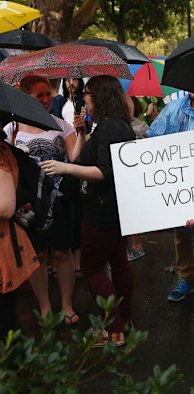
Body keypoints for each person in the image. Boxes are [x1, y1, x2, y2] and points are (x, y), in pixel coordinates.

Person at [41, 75, 136, 346]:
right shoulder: (117, 125)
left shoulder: (108, 129)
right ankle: (124, 321)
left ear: (100, 97)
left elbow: (103, 172)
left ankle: (113, 329)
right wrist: (83, 133)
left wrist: (64, 168)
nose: (84, 98)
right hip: (118, 208)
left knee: (92, 267)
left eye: (89, 94)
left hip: (102, 210)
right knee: (119, 262)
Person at [4, 75, 86, 325]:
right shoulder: (11, 128)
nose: (45, 100)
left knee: (62, 254)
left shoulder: (62, 125)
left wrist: (81, 133)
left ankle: (67, 304)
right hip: (28, 206)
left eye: (48, 94)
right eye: (39, 96)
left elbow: (73, 157)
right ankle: (45, 306)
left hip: (60, 200)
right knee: (37, 256)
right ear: (25, 98)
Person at [147, 92, 194, 303]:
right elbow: (153, 138)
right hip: (179, 184)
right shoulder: (172, 110)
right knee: (181, 235)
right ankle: (186, 279)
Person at [0, 134, 39, 339]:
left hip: (4, 247)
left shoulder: (1, 156)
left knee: (4, 321)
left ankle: (18, 366)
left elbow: (6, 207)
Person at [125, 96, 149, 261]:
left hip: (137, 175)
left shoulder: (142, 126)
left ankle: (136, 244)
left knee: (133, 210)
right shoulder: (110, 126)